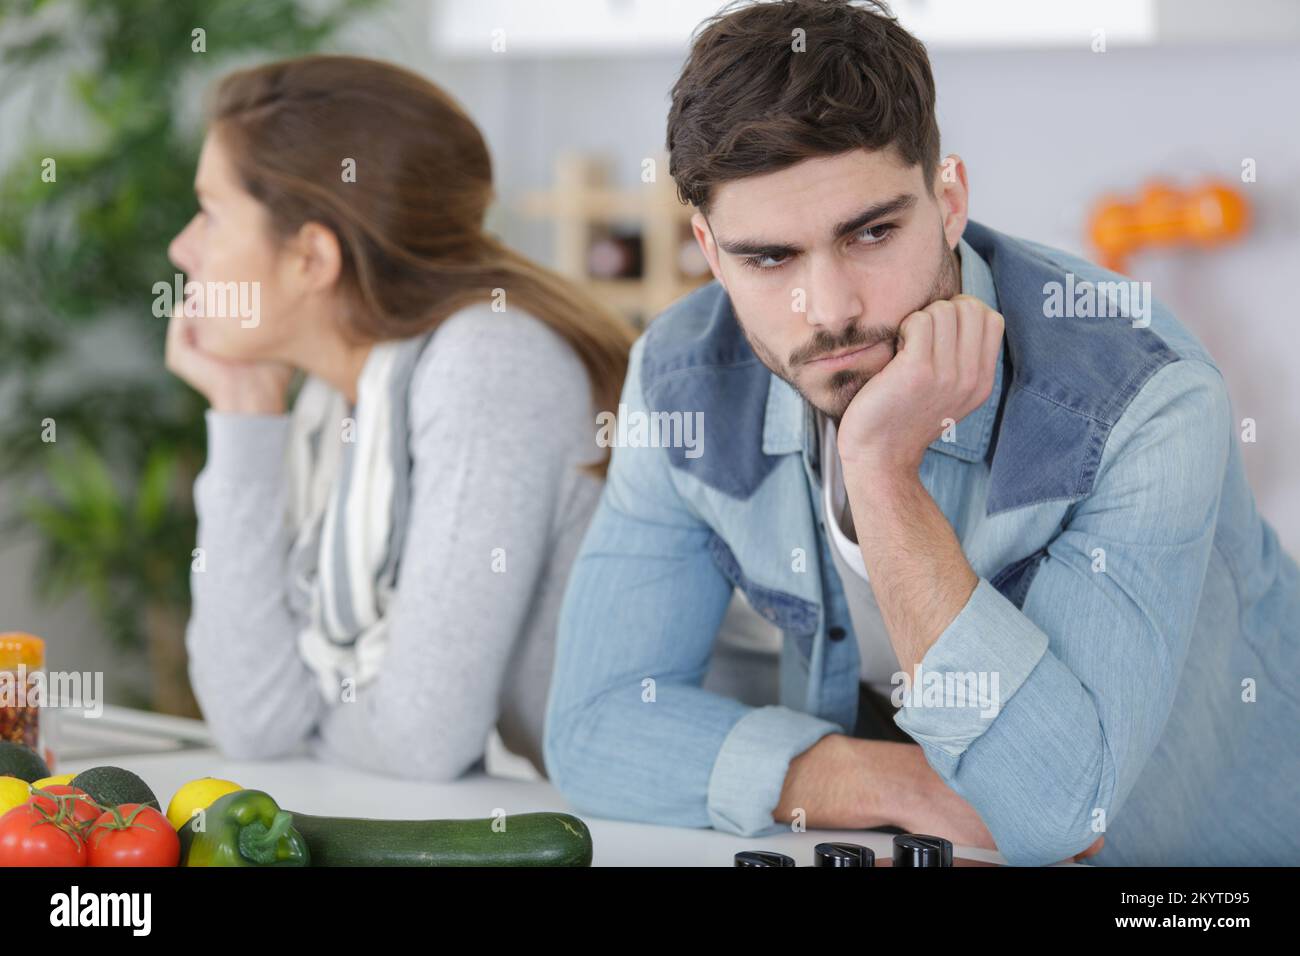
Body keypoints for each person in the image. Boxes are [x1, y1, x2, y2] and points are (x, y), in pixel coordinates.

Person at [544, 0, 1300, 865]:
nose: (830, 311)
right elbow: (599, 724)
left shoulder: (1144, 402)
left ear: (948, 202)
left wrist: (880, 470)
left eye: (870, 233)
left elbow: (1057, 812)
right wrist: (897, 784)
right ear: (711, 254)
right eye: (769, 259)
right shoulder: (680, 378)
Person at [166, 55, 633, 781]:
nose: (182, 248)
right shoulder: (342, 402)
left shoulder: (487, 361)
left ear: (311, 258)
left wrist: (326, 718)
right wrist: (243, 410)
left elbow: (421, 741)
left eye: (212, 213)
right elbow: (256, 721)